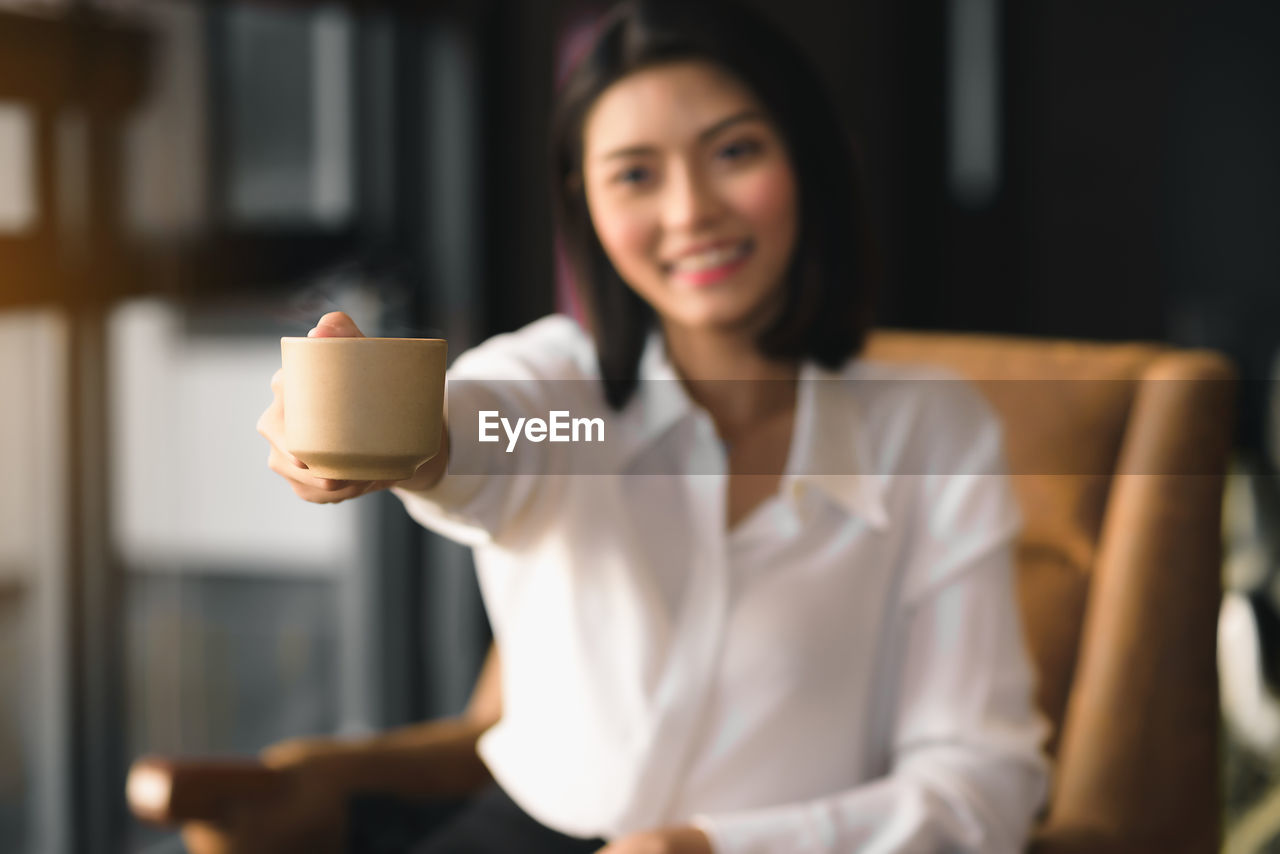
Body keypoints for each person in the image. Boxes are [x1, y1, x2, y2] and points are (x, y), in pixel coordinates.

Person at [197, 0, 1051, 851]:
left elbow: (983, 783)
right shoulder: (567, 400)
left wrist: (713, 848)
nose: (690, 212)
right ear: (587, 207)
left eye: (734, 151)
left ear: (810, 159)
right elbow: (493, 430)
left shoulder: (932, 432)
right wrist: (394, 437)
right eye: (636, 174)